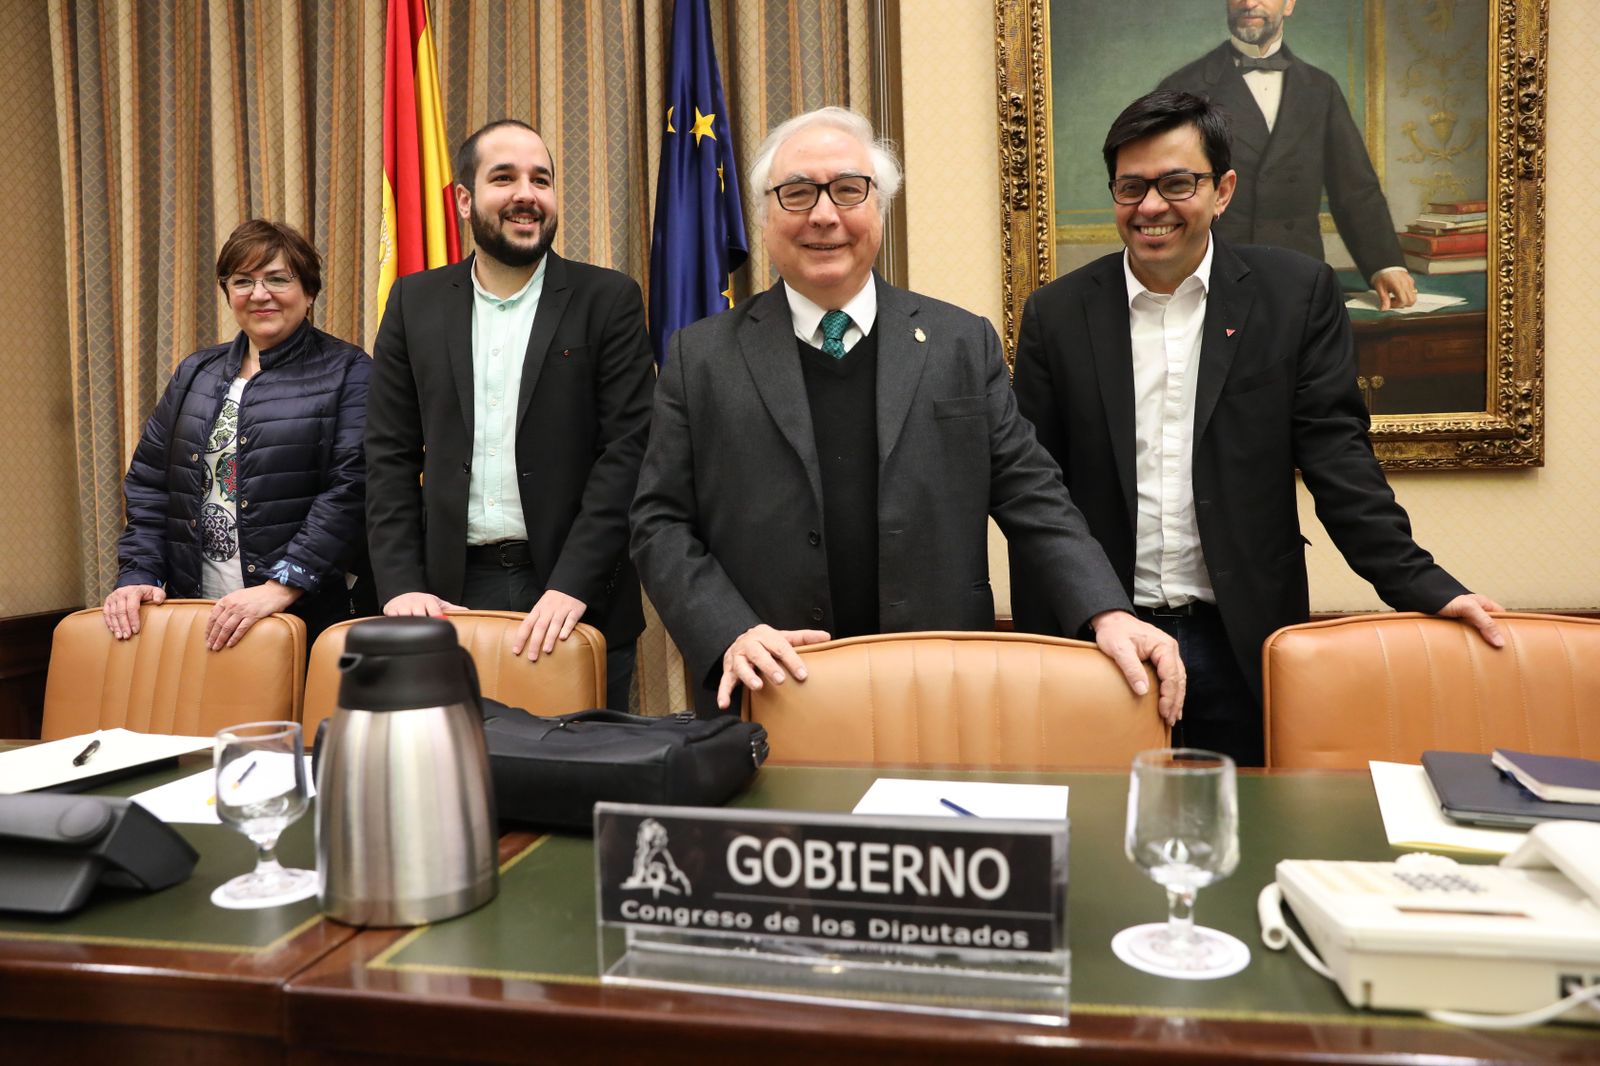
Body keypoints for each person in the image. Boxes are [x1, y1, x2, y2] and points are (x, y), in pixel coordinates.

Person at [630, 106, 1184, 721]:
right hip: (769, 687)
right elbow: (659, 522)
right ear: (763, 217)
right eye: (796, 193)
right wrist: (729, 631)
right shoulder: (700, 356)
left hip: (935, 687)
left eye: (847, 190)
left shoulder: (960, 344)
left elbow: (1035, 497)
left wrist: (1106, 611)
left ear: (879, 210)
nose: (823, 214)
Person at [1010, 90, 1502, 767]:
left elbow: (1338, 459)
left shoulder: (1294, 295)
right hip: (1101, 643)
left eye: (1176, 182)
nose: (1151, 206)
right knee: (1094, 850)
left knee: (1241, 850)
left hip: (1240, 642)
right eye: (1132, 187)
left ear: (1222, 190)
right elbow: (1036, 492)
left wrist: (1426, 586)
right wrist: (1081, 617)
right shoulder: (1057, 314)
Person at [366, 119, 655, 710]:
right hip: (446, 597)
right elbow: (388, 454)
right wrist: (401, 587)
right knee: (451, 784)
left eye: (541, 180)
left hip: (575, 598)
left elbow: (628, 450)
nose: (528, 193)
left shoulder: (610, 300)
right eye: (505, 177)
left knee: (573, 785)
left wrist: (572, 584)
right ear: (466, 201)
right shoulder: (413, 302)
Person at [105, 219, 373, 650]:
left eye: (278, 279)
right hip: (195, 611)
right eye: (243, 281)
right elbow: (150, 485)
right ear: (228, 292)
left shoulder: (350, 371)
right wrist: (139, 574)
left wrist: (282, 585)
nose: (259, 294)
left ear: (309, 292)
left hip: (300, 617)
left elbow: (350, 490)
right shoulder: (196, 372)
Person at [1157, 0, 1417, 311]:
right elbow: (1162, 194)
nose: (1249, 2)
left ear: (1290, 3)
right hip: (1210, 283)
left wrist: (1386, 265)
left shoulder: (1321, 89)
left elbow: (1355, 190)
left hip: (1302, 281)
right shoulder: (1182, 88)